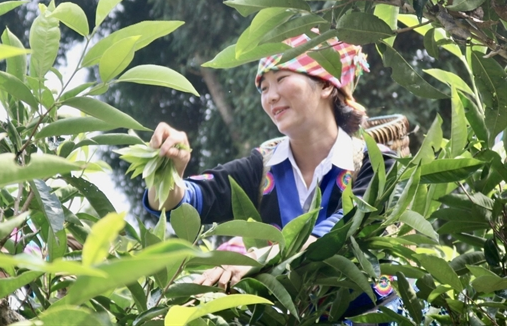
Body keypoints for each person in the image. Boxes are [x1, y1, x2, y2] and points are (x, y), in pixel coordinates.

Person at [143, 34, 396, 291]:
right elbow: (191, 201)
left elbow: (347, 226)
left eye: (282, 79)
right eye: (264, 88)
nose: (270, 97)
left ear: (326, 85)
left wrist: (259, 257)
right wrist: (168, 173)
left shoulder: (377, 162)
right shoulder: (262, 167)